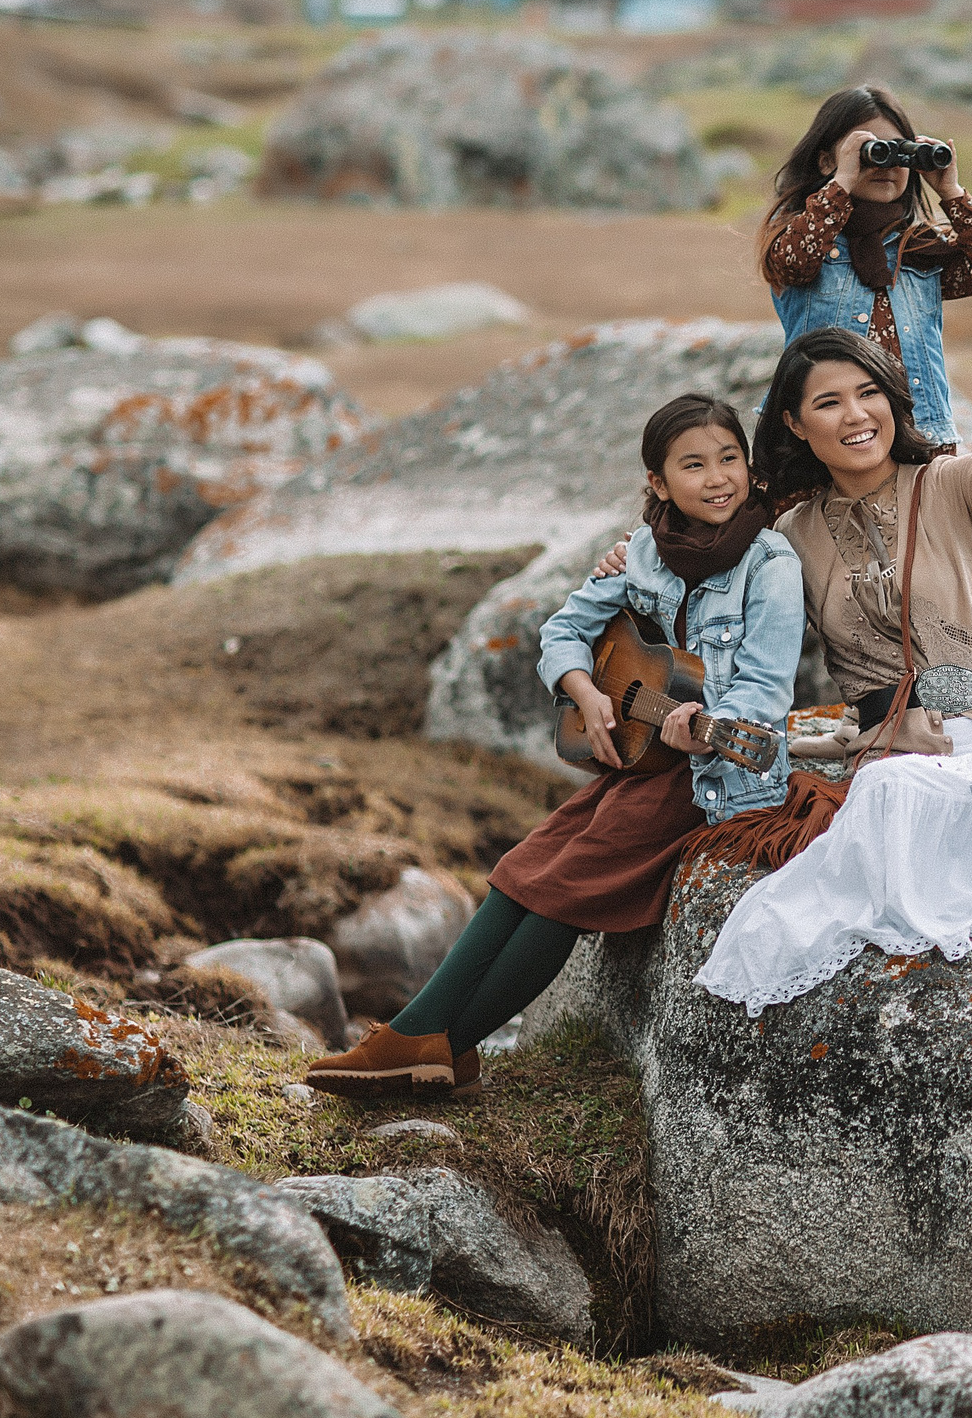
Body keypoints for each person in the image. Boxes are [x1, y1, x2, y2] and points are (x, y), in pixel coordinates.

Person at [594, 328, 972, 1015]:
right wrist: (634, 555)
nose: (857, 415)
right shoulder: (789, 535)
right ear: (796, 424)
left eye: (869, 393)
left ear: (891, 401)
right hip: (892, 750)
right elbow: (705, 547)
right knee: (888, 790)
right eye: (830, 402)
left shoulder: (951, 485)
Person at [305, 393, 803, 1099]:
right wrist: (587, 691)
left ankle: (434, 1044)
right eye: (694, 464)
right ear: (659, 483)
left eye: (730, 459)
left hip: (715, 777)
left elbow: (762, 693)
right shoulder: (641, 552)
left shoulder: (770, 561)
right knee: (522, 868)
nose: (718, 476)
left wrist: (702, 725)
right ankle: (427, 1041)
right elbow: (562, 631)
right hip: (645, 765)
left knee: (560, 888)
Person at [759, 84, 972, 448]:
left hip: (918, 435)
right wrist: (842, 182)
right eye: (870, 151)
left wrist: (951, 192)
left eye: (899, 152)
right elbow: (795, 262)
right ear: (827, 160)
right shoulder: (803, 236)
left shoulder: (917, 250)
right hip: (827, 443)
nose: (888, 165)